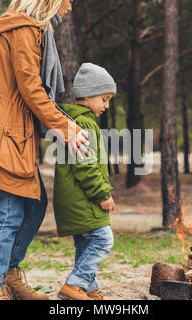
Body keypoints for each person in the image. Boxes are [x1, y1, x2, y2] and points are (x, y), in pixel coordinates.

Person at [0, 0, 90, 300]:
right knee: (7, 212)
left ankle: (8, 274)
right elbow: (31, 88)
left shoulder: (33, 30)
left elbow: (31, 90)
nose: (71, 6)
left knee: (34, 205)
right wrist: (65, 126)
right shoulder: (25, 30)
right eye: (68, 0)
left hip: (13, 129)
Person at [53, 63, 117, 300]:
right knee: (103, 239)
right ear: (88, 96)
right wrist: (103, 194)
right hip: (83, 199)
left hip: (73, 199)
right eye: (104, 99)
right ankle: (74, 284)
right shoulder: (85, 124)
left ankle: (88, 289)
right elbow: (86, 167)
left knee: (84, 244)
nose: (107, 105)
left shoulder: (71, 121)